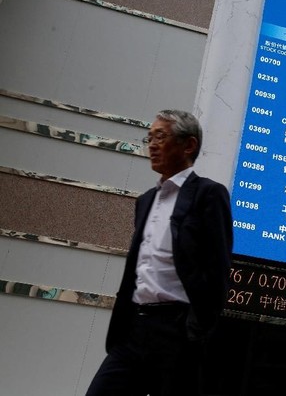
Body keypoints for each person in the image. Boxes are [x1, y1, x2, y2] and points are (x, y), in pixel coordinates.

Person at [86, 109, 233, 396]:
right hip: (133, 329)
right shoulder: (146, 201)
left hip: (176, 332)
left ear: (188, 145)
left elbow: (218, 270)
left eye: (160, 137)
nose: (151, 145)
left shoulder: (208, 195)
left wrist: (197, 330)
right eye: (149, 137)